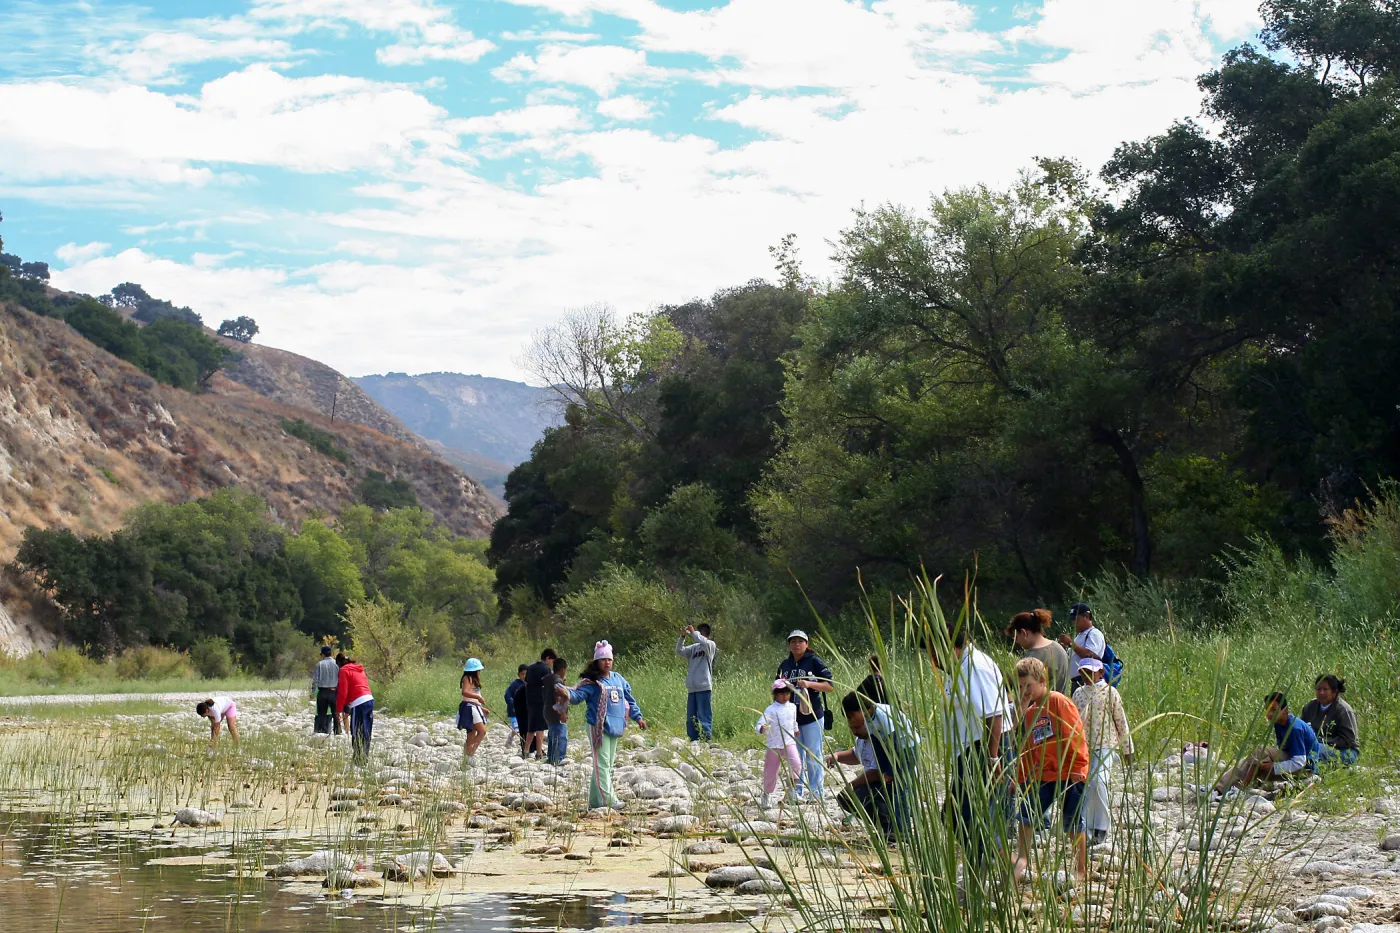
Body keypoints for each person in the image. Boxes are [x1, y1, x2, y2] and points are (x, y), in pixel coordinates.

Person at [928, 619, 1015, 874]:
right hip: (969, 752)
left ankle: (988, 873)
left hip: (983, 750)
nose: (933, 658)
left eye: (933, 651)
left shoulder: (975, 666)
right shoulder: (961, 667)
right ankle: (996, 870)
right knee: (955, 816)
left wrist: (992, 759)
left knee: (970, 817)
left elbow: (995, 714)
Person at [1013, 657, 1090, 883]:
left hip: (1070, 772)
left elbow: (1074, 734)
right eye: (1019, 687)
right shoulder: (1029, 713)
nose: (1024, 691)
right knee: (1025, 815)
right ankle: (1023, 860)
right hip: (1043, 775)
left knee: (1073, 823)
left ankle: (1081, 869)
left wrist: (1078, 767)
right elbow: (1028, 748)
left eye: (1028, 685)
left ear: (1042, 680)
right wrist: (1019, 778)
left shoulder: (1057, 701)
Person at [557, 641, 646, 810]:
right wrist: (566, 693)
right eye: (603, 659)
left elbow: (628, 699)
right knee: (602, 764)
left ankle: (595, 802)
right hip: (598, 726)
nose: (607, 662)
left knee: (606, 764)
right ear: (597, 662)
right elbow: (577, 695)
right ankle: (609, 800)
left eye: (609, 659)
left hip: (615, 726)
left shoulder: (618, 678)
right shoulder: (592, 682)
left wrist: (638, 717)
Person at [1072, 658, 1133, 845]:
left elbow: (1121, 720)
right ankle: (1088, 827)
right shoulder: (1078, 693)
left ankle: (1102, 827)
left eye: (1091, 672)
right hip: (1083, 747)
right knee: (1086, 786)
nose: (1087, 676)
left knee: (1099, 781)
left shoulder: (1110, 692)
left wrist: (1127, 749)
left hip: (1106, 744)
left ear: (1100, 673)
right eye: (1083, 672)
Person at [1212, 693, 1320, 796]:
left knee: (1260, 750)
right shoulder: (1279, 723)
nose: (1270, 714)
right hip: (1291, 763)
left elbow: (1300, 762)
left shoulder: (1294, 728)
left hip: (1305, 771)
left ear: (1285, 710)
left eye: (1274, 710)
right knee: (1251, 759)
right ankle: (1218, 790)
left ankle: (1239, 790)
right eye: (1267, 710)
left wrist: (1274, 767)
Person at [777, 630, 834, 800]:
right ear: (789, 645)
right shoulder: (785, 665)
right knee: (795, 756)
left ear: (807, 644)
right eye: (793, 641)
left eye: (800, 641)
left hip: (812, 715)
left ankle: (816, 793)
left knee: (813, 754)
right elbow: (776, 686)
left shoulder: (814, 662)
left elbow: (830, 685)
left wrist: (809, 684)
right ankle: (797, 792)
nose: (796, 644)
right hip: (791, 717)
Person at [829, 691, 889, 831]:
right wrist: (837, 756)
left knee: (858, 795)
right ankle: (879, 825)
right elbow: (857, 755)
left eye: (857, 727)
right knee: (845, 798)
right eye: (851, 728)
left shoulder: (878, 738)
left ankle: (888, 827)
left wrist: (852, 784)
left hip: (884, 782)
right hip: (872, 782)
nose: (854, 731)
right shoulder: (861, 739)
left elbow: (876, 772)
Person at [756, 679, 802, 808]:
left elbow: (793, 721)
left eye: (787, 693)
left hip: (789, 742)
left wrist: (795, 729)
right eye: (781, 694)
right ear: (775, 694)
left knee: (796, 764)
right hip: (774, 744)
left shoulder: (793, 707)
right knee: (771, 771)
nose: (785, 696)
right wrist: (762, 728)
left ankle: (792, 791)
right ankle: (767, 795)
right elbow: (760, 723)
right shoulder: (771, 709)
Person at [1300, 674, 1360, 767]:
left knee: (1313, 749)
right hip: (1317, 745)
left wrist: (1320, 740)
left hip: (1346, 751)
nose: (1321, 693)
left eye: (1325, 689)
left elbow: (1348, 741)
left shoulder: (1343, 710)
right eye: (1318, 689)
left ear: (1334, 691)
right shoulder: (1310, 706)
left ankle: (1313, 775)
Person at [1008, 610, 1072, 696]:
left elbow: (1022, 694)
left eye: (1016, 637)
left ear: (1024, 633)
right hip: (1061, 705)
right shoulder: (1059, 648)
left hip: (1039, 708)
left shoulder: (1030, 658)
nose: (1017, 641)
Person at [677, 623, 717, 742]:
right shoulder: (694, 648)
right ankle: (693, 738)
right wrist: (682, 637)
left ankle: (706, 738)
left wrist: (694, 632)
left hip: (704, 686)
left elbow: (703, 642)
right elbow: (679, 650)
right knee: (691, 717)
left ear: (703, 633)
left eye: (699, 633)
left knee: (704, 714)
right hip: (692, 687)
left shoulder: (710, 645)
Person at [336, 655, 374, 764]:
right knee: (366, 730)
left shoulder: (343, 670)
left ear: (339, 663)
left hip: (359, 703)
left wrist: (339, 710)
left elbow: (343, 692)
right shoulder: (359, 669)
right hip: (369, 700)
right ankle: (364, 757)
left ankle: (358, 759)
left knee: (356, 731)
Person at [1058, 603, 1105, 687]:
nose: (1074, 623)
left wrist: (1070, 643)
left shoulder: (1094, 633)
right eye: (1073, 620)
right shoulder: (1079, 637)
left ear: (1087, 616)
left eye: (1077, 619)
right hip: (1077, 681)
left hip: (1088, 680)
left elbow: (1090, 656)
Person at [524, 649, 559, 761]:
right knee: (540, 727)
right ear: (548, 658)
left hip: (529, 699)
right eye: (552, 661)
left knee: (531, 727)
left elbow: (526, 682)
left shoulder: (530, 667)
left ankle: (526, 750)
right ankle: (539, 753)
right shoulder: (546, 669)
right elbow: (549, 683)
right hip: (540, 700)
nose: (552, 664)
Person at [458, 658, 489, 768]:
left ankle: (467, 757)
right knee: (482, 731)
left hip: (475, 707)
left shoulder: (474, 680)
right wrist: (477, 697)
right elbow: (465, 692)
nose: (479, 672)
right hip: (469, 708)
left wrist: (481, 708)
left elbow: (474, 698)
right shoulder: (467, 678)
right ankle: (470, 753)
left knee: (472, 733)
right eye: (478, 670)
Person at [545, 656, 570, 765]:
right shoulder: (558, 681)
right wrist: (563, 713)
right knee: (560, 737)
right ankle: (558, 760)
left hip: (547, 712)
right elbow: (559, 696)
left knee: (552, 737)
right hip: (556, 714)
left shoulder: (548, 678)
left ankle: (551, 759)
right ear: (563, 669)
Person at [312, 646, 341, 735]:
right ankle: (337, 731)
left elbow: (315, 680)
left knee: (322, 713)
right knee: (335, 713)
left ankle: (322, 731)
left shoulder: (319, 664)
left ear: (323, 654)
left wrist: (313, 691)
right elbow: (340, 678)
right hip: (334, 691)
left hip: (323, 691)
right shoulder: (337, 664)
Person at [505, 664, 528, 748]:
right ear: (518, 674)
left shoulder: (529, 684)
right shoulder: (515, 684)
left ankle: (525, 743)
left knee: (525, 728)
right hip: (514, 711)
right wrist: (512, 704)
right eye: (522, 674)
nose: (524, 676)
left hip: (524, 711)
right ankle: (510, 738)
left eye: (526, 674)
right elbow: (507, 695)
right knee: (516, 729)